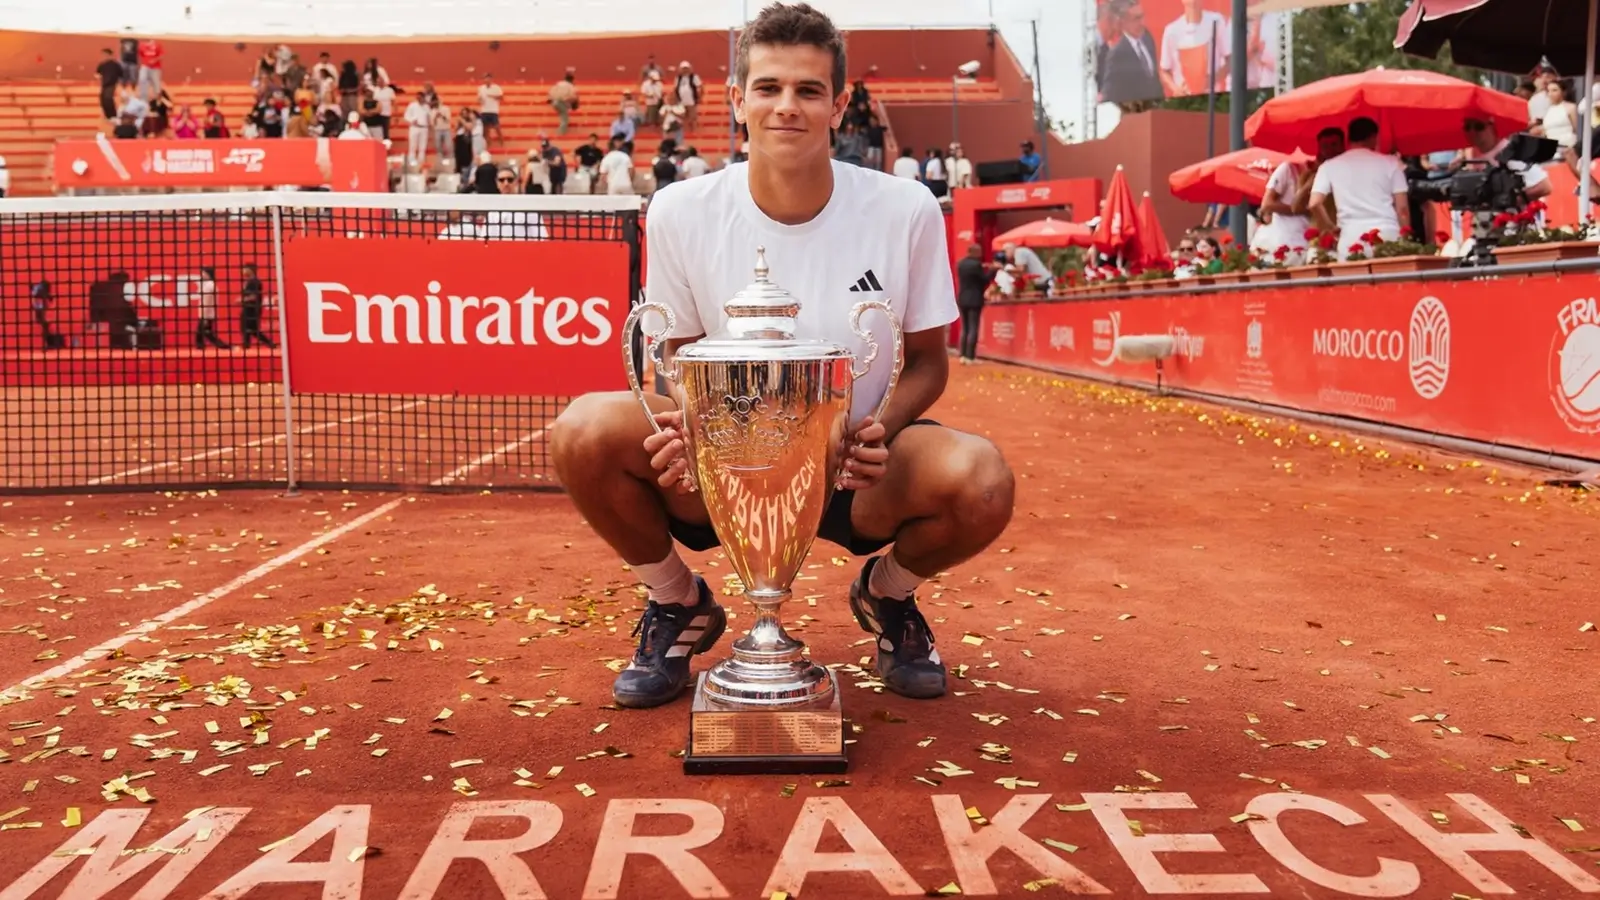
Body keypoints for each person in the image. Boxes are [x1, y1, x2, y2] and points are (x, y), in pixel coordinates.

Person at [550, 0, 1015, 710]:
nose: (786, 106)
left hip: (856, 465)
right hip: (731, 462)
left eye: (808, 89)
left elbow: (928, 361)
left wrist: (875, 432)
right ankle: (678, 604)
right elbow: (676, 354)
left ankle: (887, 595)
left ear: (840, 105)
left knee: (980, 480)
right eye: (768, 87)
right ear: (738, 100)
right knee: (583, 429)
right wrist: (689, 425)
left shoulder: (908, 208)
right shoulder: (678, 210)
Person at [1307, 116, 1409, 257]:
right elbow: (1402, 208)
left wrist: (1331, 227)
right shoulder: (1392, 163)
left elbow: (1314, 203)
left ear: (1348, 138)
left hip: (1350, 236)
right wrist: (1406, 237)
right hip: (1387, 232)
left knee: (1352, 272)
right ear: (1374, 137)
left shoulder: (1328, 166)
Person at [954, 243, 994, 364]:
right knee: (973, 327)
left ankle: (962, 355)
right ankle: (970, 357)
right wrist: (992, 271)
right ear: (976, 252)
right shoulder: (976, 265)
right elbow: (984, 280)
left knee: (965, 328)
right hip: (974, 299)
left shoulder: (960, 264)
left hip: (962, 298)